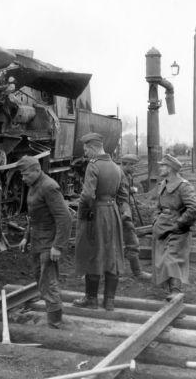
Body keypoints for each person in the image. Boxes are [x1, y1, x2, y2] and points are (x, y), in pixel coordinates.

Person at [17, 155, 72, 327]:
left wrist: (58, 246)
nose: (23, 178)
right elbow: (33, 216)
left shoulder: (49, 187)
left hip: (49, 243)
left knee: (48, 281)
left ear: (37, 170)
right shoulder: (33, 185)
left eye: (26, 175)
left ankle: (55, 322)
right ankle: (54, 316)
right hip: (37, 240)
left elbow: (65, 217)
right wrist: (26, 237)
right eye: (22, 175)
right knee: (39, 277)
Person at [73, 132, 126, 311]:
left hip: (96, 213)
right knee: (112, 253)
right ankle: (109, 301)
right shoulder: (116, 167)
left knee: (93, 252)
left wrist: (82, 213)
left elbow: (88, 195)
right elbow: (122, 194)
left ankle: (91, 299)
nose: (85, 153)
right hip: (113, 213)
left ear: (93, 147)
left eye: (86, 149)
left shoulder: (93, 166)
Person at [152, 154, 196, 300]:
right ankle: (170, 290)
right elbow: (157, 206)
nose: (160, 168)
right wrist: (155, 219)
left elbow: (194, 208)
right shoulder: (163, 184)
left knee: (172, 258)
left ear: (170, 168)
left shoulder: (184, 186)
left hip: (177, 230)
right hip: (162, 227)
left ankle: (175, 291)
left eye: (163, 166)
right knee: (162, 259)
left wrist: (180, 223)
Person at [119, 154, 152, 281]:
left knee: (126, 242)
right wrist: (125, 214)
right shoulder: (119, 176)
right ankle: (137, 272)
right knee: (132, 243)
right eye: (134, 166)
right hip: (122, 214)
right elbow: (118, 196)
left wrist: (130, 190)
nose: (136, 168)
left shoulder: (126, 175)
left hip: (125, 213)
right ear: (126, 164)